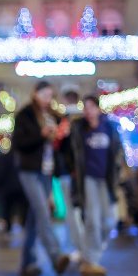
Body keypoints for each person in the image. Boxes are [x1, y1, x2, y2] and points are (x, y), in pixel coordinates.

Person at [11, 81, 71, 276]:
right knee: (43, 212)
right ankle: (56, 257)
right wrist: (41, 134)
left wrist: (62, 135)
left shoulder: (53, 115)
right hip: (29, 170)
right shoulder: (25, 114)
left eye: (49, 95)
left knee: (35, 216)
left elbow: (59, 145)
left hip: (46, 170)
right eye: (44, 94)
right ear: (35, 94)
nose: (47, 99)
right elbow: (19, 142)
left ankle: (28, 261)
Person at [68, 95, 121, 276]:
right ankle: (91, 260)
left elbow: (117, 153)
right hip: (87, 179)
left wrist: (118, 173)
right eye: (85, 107)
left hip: (105, 180)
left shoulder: (109, 127)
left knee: (109, 221)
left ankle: (91, 252)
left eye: (91, 107)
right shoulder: (79, 129)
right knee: (92, 219)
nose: (88, 111)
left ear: (98, 109)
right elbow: (72, 154)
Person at [54, 90, 83, 261]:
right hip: (70, 172)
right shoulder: (77, 122)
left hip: (69, 172)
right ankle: (73, 246)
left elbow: (59, 145)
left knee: (72, 213)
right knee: (73, 213)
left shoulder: (67, 123)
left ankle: (75, 247)